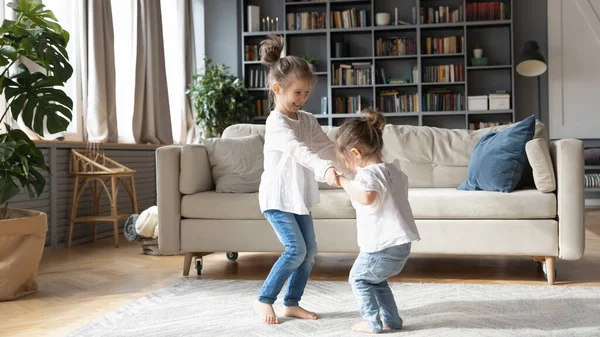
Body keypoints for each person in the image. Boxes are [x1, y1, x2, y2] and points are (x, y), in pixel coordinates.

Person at [253, 35, 340, 325]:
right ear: (278, 89)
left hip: (298, 197)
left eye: (307, 93)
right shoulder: (276, 123)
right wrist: (323, 170)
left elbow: (324, 145)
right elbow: (300, 151)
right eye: (298, 93)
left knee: (310, 251)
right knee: (296, 249)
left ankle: (291, 303)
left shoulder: (307, 119)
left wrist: (346, 163)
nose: (302, 99)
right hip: (277, 198)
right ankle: (264, 299)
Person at [333, 109, 420, 333]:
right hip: (401, 244)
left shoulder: (368, 174)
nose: (348, 166)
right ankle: (393, 320)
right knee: (376, 280)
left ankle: (372, 323)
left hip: (382, 245)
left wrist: (344, 182)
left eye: (346, 160)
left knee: (358, 279)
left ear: (356, 152)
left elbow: (367, 197)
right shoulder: (392, 171)